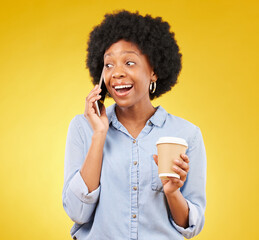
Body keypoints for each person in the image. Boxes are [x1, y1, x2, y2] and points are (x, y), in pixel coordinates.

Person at [62, 10, 206, 240]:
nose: (117, 73)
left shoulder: (186, 134)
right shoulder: (83, 127)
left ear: (154, 71)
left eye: (129, 62)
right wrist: (99, 134)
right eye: (108, 65)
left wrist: (172, 193)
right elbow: (77, 212)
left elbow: (190, 226)